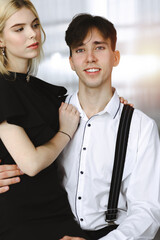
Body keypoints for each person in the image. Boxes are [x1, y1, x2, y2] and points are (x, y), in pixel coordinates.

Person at [0, 12, 160, 240]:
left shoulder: (141, 127)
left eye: (100, 48)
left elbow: (147, 210)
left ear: (115, 57)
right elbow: (16, 151)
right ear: (71, 62)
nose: (90, 58)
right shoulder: (49, 114)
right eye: (80, 50)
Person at [0, 1, 89, 239]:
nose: (32, 34)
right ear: (0, 39)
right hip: (22, 219)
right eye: (19, 29)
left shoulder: (43, 90)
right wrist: (64, 133)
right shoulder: (3, 88)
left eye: (35, 24)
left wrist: (119, 107)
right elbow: (31, 164)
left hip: (58, 209)